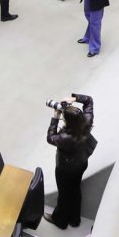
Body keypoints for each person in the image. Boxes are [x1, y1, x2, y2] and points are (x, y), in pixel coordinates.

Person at [45, 94, 96, 229]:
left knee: (64, 195)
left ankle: (60, 221)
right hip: (81, 163)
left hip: (65, 169)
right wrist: (74, 99)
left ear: (67, 121)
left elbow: (50, 138)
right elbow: (89, 101)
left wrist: (55, 117)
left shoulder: (66, 137)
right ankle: (75, 220)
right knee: (75, 190)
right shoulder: (87, 121)